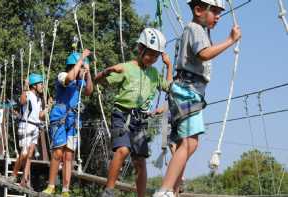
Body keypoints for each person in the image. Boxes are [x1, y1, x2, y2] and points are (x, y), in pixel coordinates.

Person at [153, 0, 241, 196]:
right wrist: (230, 40)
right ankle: (165, 189)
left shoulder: (200, 30)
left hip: (188, 90)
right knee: (190, 143)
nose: (218, 16)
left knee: (187, 143)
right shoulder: (195, 29)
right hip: (188, 90)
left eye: (220, 12)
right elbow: (204, 54)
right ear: (199, 10)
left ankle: (172, 190)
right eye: (215, 11)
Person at [96, 28, 173, 197]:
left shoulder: (154, 73)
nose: (152, 59)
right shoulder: (126, 68)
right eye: (150, 54)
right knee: (122, 150)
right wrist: (108, 70)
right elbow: (99, 81)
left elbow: (169, 88)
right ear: (140, 49)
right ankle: (108, 191)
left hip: (140, 120)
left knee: (140, 162)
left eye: (156, 56)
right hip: (122, 114)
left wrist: (169, 66)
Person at [42, 49, 93, 197]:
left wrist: (88, 73)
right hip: (59, 118)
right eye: (80, 67)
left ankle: (65, 189)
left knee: (69, 156)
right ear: (74, 65)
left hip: (73, 119)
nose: (82, 69)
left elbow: (89, 91)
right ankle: (51, 186)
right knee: (58, 153)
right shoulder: (63, 75)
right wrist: (81, 59)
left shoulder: (80, 82)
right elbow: (68, 79)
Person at [9, 73, 49, 189]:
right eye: (41, 84)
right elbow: (22, 101)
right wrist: (25, 88)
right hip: (25, 125)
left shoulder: (39, 99)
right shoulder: (28, 94)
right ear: (34, 85)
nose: (42, 86)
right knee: (25, 153)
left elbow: (40, 116)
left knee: (30, 155)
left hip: (35, 127)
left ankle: (24, 180)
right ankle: (14, 175)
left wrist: (47, 108)